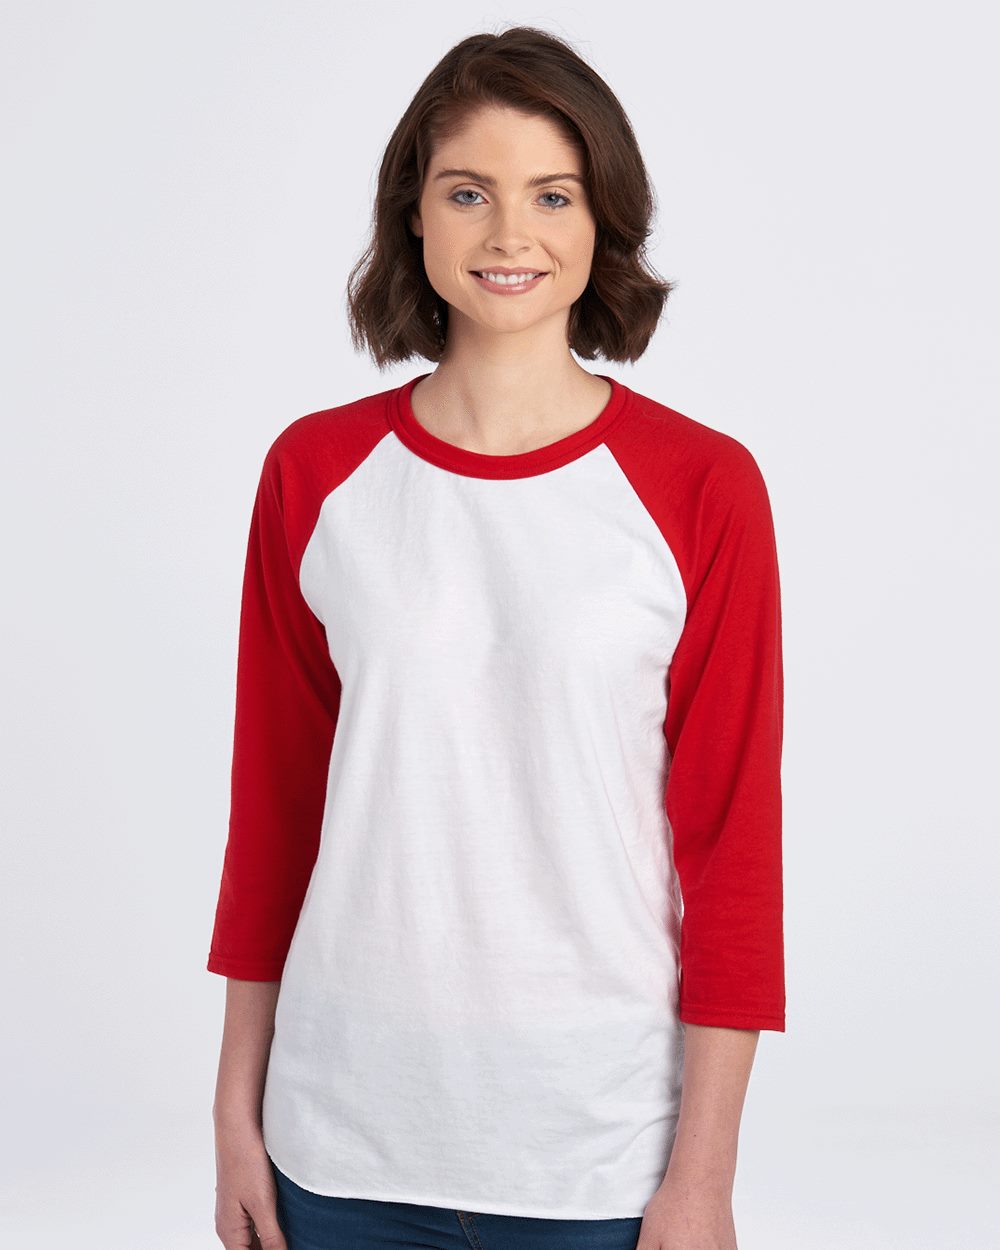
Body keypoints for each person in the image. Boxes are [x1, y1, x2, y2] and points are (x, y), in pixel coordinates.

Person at [208, 25, 785, 1250]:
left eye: (552, 195)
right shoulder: (314, 473)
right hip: (339, 1141)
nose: (509, 233)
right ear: (413, 215)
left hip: (600, 1155)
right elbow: (274, 810)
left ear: (601, 218)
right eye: (467, 192)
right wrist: (233, 1113)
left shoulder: (702, 485)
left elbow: (733, 845)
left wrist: (703, 1175)